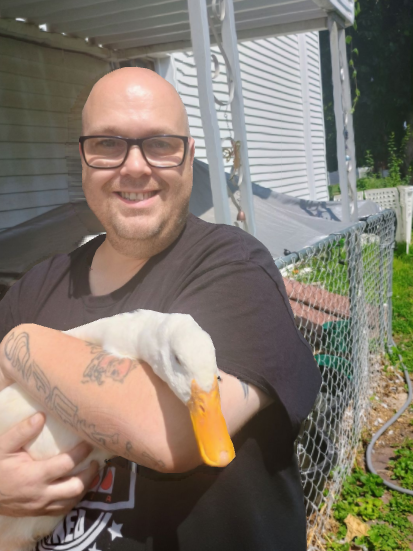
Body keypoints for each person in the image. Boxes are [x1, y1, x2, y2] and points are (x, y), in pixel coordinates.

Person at [0, 68, 321, 550]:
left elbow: (168, 437)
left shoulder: (235, 269)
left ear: (190, 158)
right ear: (83, 160)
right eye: (108, 144)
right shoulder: (33, 289)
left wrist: (23, 345)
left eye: (160, 143)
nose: (134, 167)